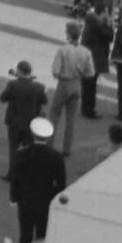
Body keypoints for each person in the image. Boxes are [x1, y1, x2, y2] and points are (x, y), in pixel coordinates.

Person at [11, 117, 67, 243]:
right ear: (48, 137)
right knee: (42, 235)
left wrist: (14, 197)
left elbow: (15, 179)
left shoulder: (21, 154)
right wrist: (52, 196)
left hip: (25, 200)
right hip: (45, 201)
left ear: (32, 134)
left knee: (25, 235)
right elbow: (61, 184)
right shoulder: (56, 157)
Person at [49, 21, 94, 157]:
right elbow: (90, 73)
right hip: (77, 84)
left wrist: (62, 74)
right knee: (71, 119)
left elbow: (55, 71)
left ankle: (49, 144)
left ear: (69, 34)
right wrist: (80, 73)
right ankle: (66, 148)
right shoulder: (86, 51)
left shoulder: (63, 50)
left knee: (54, 115)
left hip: (64, 83)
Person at [0, 60, 49, 182]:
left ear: (20, 71)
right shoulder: (38, 86)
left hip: (14, 122)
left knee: (14, 149)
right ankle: (27, 174)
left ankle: (12, 174)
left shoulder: (13, 84)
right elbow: (44, 101)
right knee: (29, 149)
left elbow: (2, 98)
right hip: (30, 123)